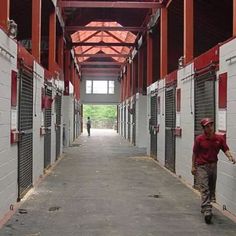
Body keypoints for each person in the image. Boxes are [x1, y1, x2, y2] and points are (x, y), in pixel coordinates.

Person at [191, 117, 235, 224]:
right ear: (203, 128)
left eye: (211, 125)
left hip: (213, 166)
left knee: (211, 187)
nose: (210, 128)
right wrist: (193, 166)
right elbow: (195, 154)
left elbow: (225, 149)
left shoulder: (219, 139)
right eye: (207, 126)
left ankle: (205, 205)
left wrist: (230, 157)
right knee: (205, 187)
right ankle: (207, 210)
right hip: (202, 166)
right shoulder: (199, 139)